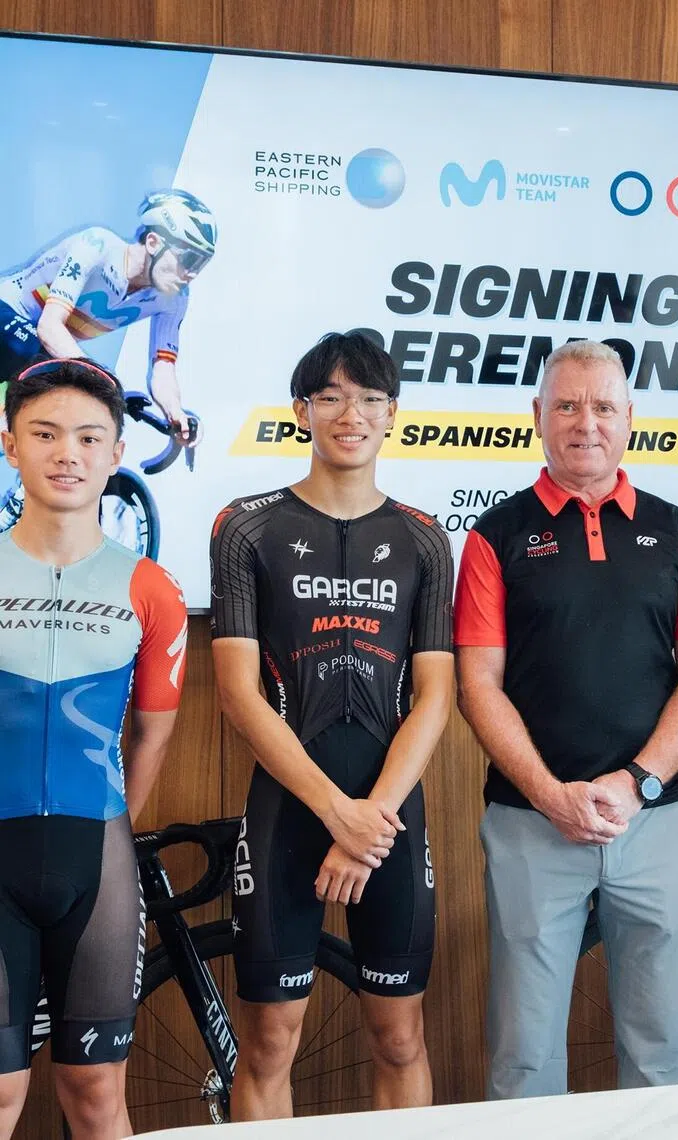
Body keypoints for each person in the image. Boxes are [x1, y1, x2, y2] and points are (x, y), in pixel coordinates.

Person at [454, 339, 678, 1098]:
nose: (586, 422)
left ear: (629, 416)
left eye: (603, 406)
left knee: (660, 1054)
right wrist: (551, 795)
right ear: (537, 415)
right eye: (567, 405)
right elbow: (478, 685)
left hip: (655, 819)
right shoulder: (495, 535)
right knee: (523, 1058)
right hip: (530, 824)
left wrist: (637, 783)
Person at [209, 330, 453, 1119]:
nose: (353, 414)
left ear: (392, 414)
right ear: (301, 411)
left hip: (389, 814)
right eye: (333, 397)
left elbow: (436, 696)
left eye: (371, 399)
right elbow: (239, 694)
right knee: (269, 1044)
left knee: (401, 1038)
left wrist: (369, 822)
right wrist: (336, 813)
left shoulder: (423, 538)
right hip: (290, 807)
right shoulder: (246, 528)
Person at [0, 357, 187, 1139]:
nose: (67, 454)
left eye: (87, 437)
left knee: (97, 1093)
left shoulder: (151, 588)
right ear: (10, 444)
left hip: (98, 859)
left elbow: (153, 730)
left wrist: (110, 823)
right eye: (45, 434)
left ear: (116, 454)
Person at [0, 189, 217, 441]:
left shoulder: (174, 298)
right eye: (189, 258)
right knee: (62, 375)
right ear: (153, 242)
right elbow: (49, 328)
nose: (192, 273)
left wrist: (175, 412)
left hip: (39, 348)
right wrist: (106, 383)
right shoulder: (98, 246)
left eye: (201, 264)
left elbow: (164, 369)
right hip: (9, 313)